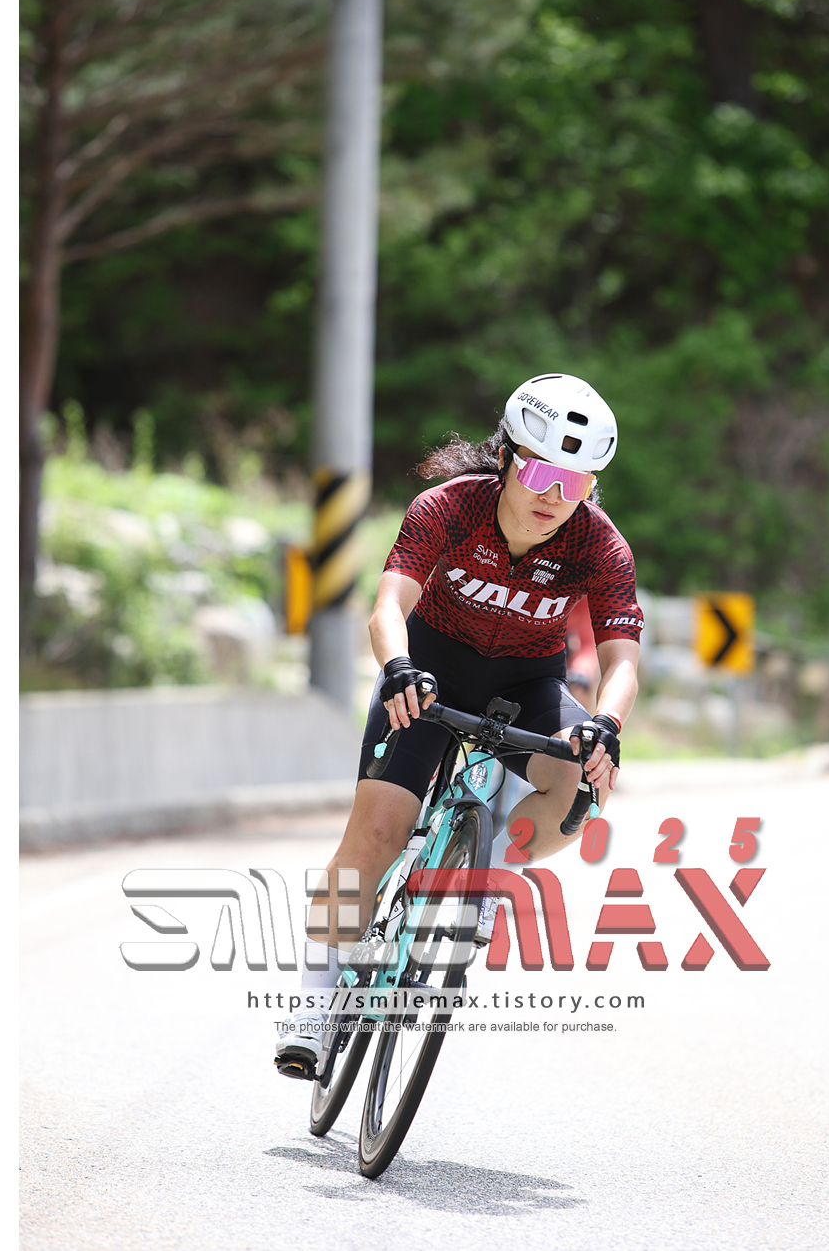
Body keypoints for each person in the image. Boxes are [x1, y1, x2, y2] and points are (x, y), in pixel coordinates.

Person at [275, 374, 644, 1078]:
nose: (552, 495)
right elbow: (389, 605)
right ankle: (314, 1006)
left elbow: (622, 659)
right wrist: (398, 668)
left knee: (586, 786)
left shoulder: (600, 544)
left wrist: (606, 722)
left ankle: (490, 873)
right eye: (538, 471)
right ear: (505, 457)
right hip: (428, 670)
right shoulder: (448, 507)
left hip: (526, 683)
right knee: (376, 835)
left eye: (575, 483)